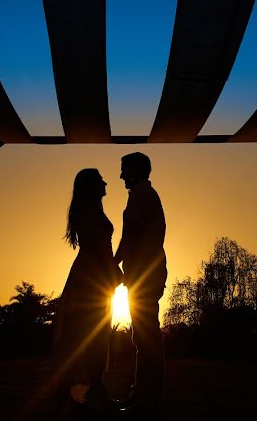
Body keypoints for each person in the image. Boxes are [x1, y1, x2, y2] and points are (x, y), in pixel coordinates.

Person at [52, 168, 123, 409]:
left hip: (94, 273)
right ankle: (89, 388)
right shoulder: (89, 210)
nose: (106, 183)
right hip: (93, 275)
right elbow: (97, 246)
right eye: (101, 180)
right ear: (92, 185)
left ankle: (92, 387)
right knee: (88, 330)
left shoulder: (90, 209)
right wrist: (112, 270)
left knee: (90, 330)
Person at [114, 152, 168, 412]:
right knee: (143, 333)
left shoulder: (141, 195)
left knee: (145, 335)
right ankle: (144, 392)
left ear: (135, 171)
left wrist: (113, 263)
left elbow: (131, 234)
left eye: (124, 169)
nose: (121, 175)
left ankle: (148, 395)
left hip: (145, 273)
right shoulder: (142, 194)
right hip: (145, 272)